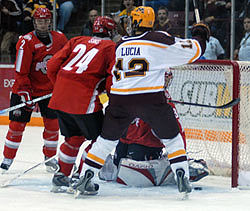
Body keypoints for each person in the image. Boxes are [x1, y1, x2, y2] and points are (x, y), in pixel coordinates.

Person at [74, 6, 209, 197]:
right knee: (172, 138)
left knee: (105, 141)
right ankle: (181, 173)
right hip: (149, 98)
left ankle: (87, 174)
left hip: (119, 99)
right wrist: (200, 34)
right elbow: (194, 51)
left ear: (135, 22)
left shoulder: (121, 44)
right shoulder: (158, 39)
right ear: (151, 22)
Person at [46, 16, 116, 193]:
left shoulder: (76, 40)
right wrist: (114, 97)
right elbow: (111, 78)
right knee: (101, 140)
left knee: (74, 138)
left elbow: (52, 64)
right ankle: (83, 176)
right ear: (111, 31)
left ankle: (61, 176)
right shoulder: (111, 48)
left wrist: (61, 86)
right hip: (83, 100)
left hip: (60, 98)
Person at [0, 8, 68, 173]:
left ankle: (50, 159)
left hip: (49, 92)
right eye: (39, 21)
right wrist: (25, 93)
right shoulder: (26, 41)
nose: (43, 24)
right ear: (34, 22)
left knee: (52, 126)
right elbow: (21, 71)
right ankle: (7, 160)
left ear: (49, 21)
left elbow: (67, 62)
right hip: (25, 91)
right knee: (16, 126)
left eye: (45, 21)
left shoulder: (60, 39)